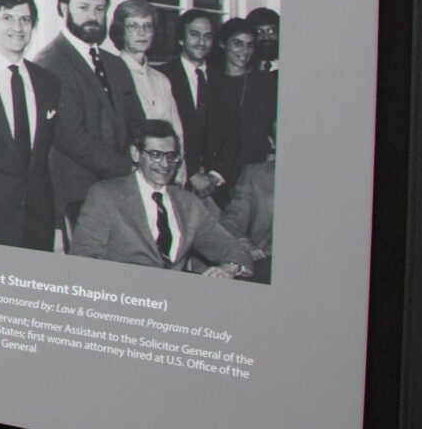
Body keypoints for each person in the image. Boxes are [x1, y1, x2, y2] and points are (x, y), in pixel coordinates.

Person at [69, 121, 262, 275]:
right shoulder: (106, 195)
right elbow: (84, 257)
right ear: (136, 154)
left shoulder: (188, 203)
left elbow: (231, 247)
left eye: (171, 156)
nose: (165, 164)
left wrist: (230, 268)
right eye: (155, 155)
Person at [33, 0, 129, 234]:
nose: (93, 16)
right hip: (78, 195)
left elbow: (135, 122)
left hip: (121, 192)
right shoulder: (49, 64)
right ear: (64, 9)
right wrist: (131, 171)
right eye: (84, 8)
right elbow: (73, 138)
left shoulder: (116, 64)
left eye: (99, 9)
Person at [0, 0, 57, 248]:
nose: (18, 27)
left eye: (25, 19)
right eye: (8, 18)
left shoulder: (49, 82)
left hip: (37, 222)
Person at [199, 17, 279, 201]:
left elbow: (275, 127)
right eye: (238, 44)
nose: (245, 51)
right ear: (222, 44)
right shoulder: (210, 82)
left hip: (257, 170)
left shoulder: (266, 83)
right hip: (218, 177)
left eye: (250, 45)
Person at [101, 0, 183, 168]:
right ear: (121, 31)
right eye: (133, 26)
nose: (142, 33)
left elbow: (176, 131)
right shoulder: (110, 75)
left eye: (147, 26)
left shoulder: (161, 80)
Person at [166, 7, 218, 189]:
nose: (202, 42)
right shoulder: (163, 77)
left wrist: (215, 176)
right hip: (176, 179)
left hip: (216, 185)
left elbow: (231, 136)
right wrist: (191, 173)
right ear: (181, 39)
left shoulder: (223, 81)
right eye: (195, 35)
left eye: (208, 36)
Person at [221, 147, 276, 283]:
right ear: (272, 142)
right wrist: (246, 244)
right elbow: (231, 221)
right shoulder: (255, 174)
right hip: (264, 260)